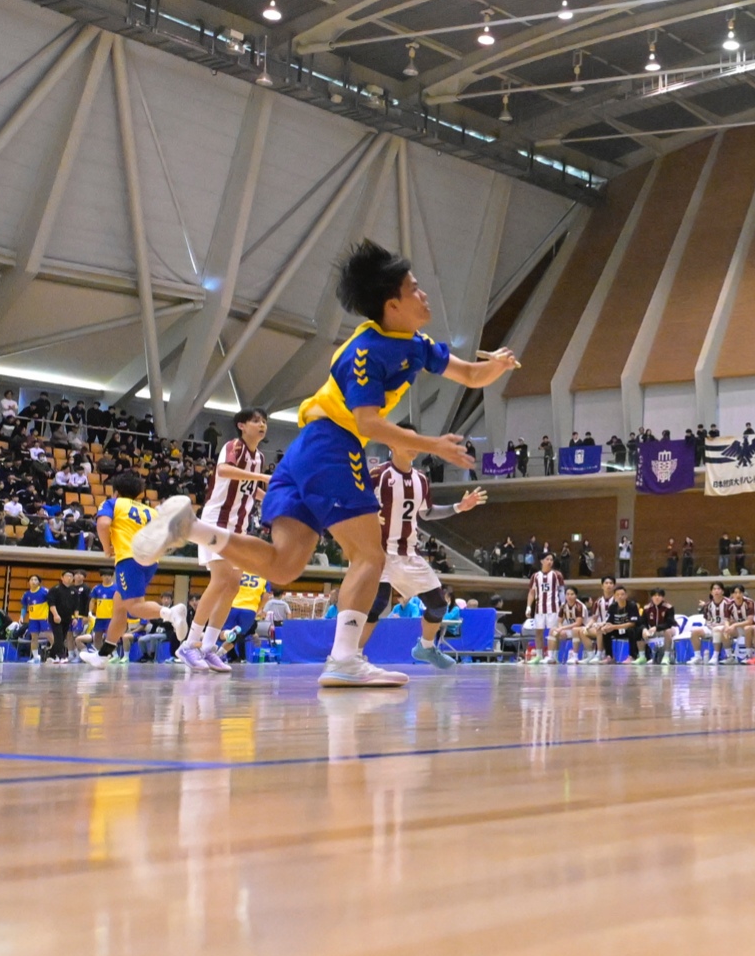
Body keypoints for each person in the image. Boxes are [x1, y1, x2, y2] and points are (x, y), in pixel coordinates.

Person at [122, 240, 518, 688]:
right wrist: (433, 444)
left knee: (283, 566)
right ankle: (345, 659)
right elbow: (368, 422)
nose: (424, 295)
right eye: (414, 288)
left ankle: (190, 528)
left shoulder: (416, 343)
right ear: (392, 305)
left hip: (306, 452)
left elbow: (470, 374)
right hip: (332, 444)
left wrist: (499, 366)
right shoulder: (365, 352)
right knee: (369, 555)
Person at [368, 434, 487, 670]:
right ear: (392, 444)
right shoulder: (378, 475)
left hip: (409, 553)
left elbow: (427, 512)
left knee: (439, 605)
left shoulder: (421, 479)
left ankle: (425, 646)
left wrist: (459, 507)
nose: (414, 446)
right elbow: (356, 505)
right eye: (407, 441)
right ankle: (350, 657)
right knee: (377, 604)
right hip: (380, 551)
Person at [176, 408, 271, 672]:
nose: (262, 424)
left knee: (233, 585)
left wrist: (271, 498)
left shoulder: (260, 457)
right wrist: (262, 478)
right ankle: (188, 644)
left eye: (264, 421)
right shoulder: (234, 447)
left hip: (239, 527)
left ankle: (208, 648)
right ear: (242, 425)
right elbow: (225, 471)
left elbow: (250, 490)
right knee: (220, 580)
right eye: (256, 420)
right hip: (216, 521)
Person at [85, 472, 190, 666]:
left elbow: (103, 524)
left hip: (128, 558)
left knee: (134, 605)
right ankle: (103, 655)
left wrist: (107, 548)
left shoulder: (113, 503)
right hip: (151, 561)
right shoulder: (151, 511)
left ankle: (169, 613)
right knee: (120, 606)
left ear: (116, 492)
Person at [524, 551, 565, 663]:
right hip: (539, 609)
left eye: (551, 560)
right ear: (541, 561)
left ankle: (554, 656)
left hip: (554, 609)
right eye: (547, 559)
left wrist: (563, 604)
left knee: (554, 632)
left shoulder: (557, 575)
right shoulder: (535, 576)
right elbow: (531, 592)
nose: (550, 562)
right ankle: (539, 656)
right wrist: (528, 607)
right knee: (538, 632)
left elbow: (561, 591)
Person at [635, 589, 679, 663]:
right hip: (654, 630)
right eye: (655, 595)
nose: (657, 597)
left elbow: (669, 623)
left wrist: (656, 627)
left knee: (667, 632)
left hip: (669, 629)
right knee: (639, 630)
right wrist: (644, 629)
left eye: (659, 595)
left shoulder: (668, 607)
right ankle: (642, 656)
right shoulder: (647, 608)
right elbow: (642, 622)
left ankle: (666, 656)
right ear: (651, 597)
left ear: (663, 598)